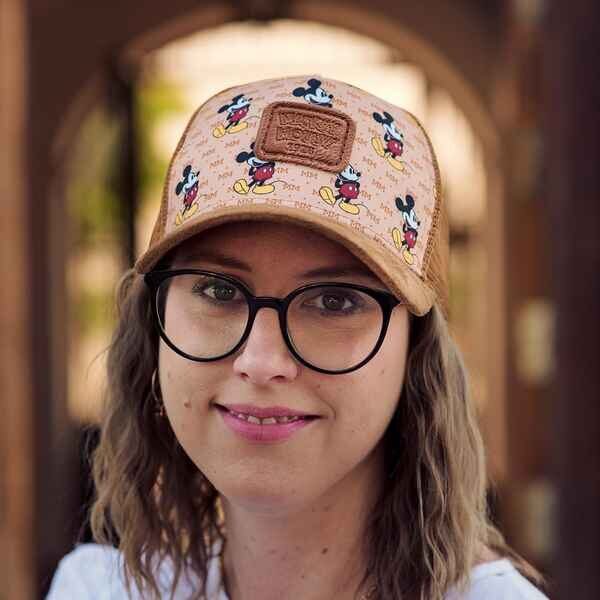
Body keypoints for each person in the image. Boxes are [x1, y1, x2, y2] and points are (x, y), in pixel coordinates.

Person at [46, 75, 549, 600]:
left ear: (415, 351)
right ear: (154, 329)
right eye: (219, 290)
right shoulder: (97, 590)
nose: (262, 361)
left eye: (335, 301)